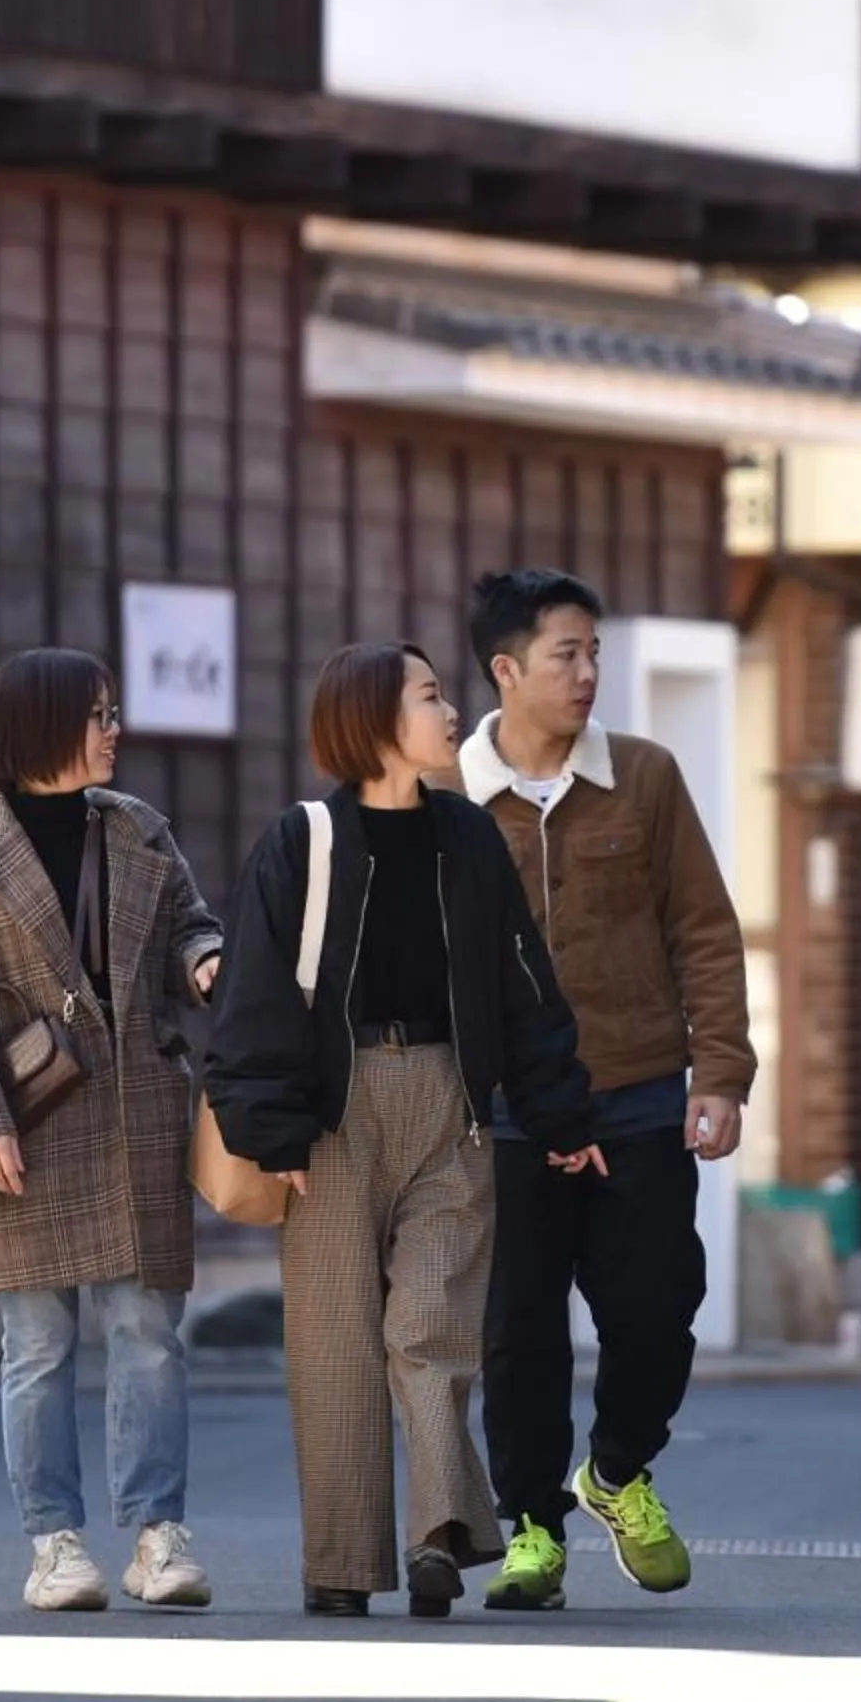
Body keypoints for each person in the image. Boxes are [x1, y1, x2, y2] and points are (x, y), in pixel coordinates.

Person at [202, 642, 602, 1620]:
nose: (451, 711)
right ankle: (342, 1562)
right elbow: (254, 992)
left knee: (431, 1327)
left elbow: (522, 980)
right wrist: (272, 1130)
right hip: (329, 1118)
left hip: (448, 1102)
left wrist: (557, 1110)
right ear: (376, 719)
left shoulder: (469, 838)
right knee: (335, 1343)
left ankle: (438, 1534)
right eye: (429, 696)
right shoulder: (302, 841)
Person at [456, 569, 753, 1613]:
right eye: (565, 654)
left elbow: (705, 931)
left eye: (594, 653)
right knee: (520, 1330)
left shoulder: (646, 776)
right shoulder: (450, 795)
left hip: (637, 1093)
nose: (588, 673)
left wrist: (721, 1071)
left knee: (659, 1308)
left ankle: (618, 1471)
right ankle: (532, 1528)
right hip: (506, 1111)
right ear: (506, 669)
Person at [0, 648, 226, 1614]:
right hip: (28, 1120)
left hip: (136, 1109)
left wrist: (204, 960)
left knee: (149, 1332)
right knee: (37, 1343)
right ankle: (54, 1544)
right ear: (45, 723)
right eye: (98, 715)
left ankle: (157, 1537)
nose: (114, 730)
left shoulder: (135, 827)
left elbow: (187, 925)